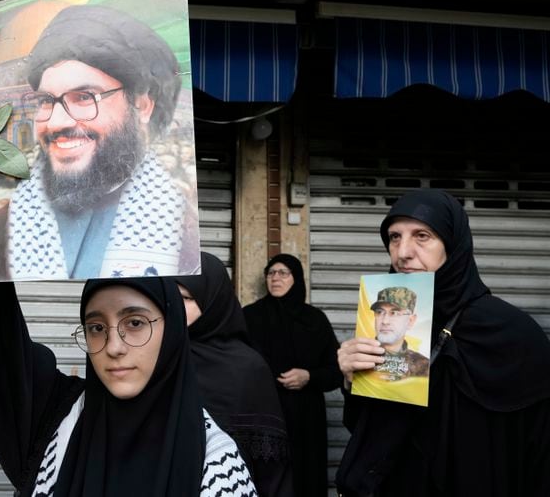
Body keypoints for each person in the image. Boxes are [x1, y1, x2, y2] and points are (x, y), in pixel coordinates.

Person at [0, 4, 196, 280]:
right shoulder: (2, 227)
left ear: (143, 105)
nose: (58, 122)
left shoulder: (182, 233)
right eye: (47, 101)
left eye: (85, 97)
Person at [0, 275, 258, 496]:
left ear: (173, 330)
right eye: (96, 328)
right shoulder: (58, 422)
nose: (113, 347)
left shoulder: (216, 463)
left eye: (135, 323)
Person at [335, 188, 550, 497]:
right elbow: (369, 432)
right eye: (394, 237)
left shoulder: (512, 333)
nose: (403, 252)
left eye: (422, 236)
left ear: (454, 244)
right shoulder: (388, 324)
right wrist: (353, 380)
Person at [176, 252, 293, 497]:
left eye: (185, 298)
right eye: (169, 297)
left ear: (212, 301)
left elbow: (271, 467)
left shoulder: (248, 367)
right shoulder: (155, 359)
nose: (174, 307)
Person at [243, 254, 343, 497]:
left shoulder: (315, 320)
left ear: (296, 278)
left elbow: (336, 370)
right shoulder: (249, 316)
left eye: (283, 273)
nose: (276, 278)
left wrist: (309, 376)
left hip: (306, 418)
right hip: (265, 415)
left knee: (305, 480)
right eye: (271, 273)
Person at [370, 286, 429, 381]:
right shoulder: (361, 356)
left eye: (394, 313)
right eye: (380, 312)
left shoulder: (423, 365)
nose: (385, 321)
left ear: (410, 321)